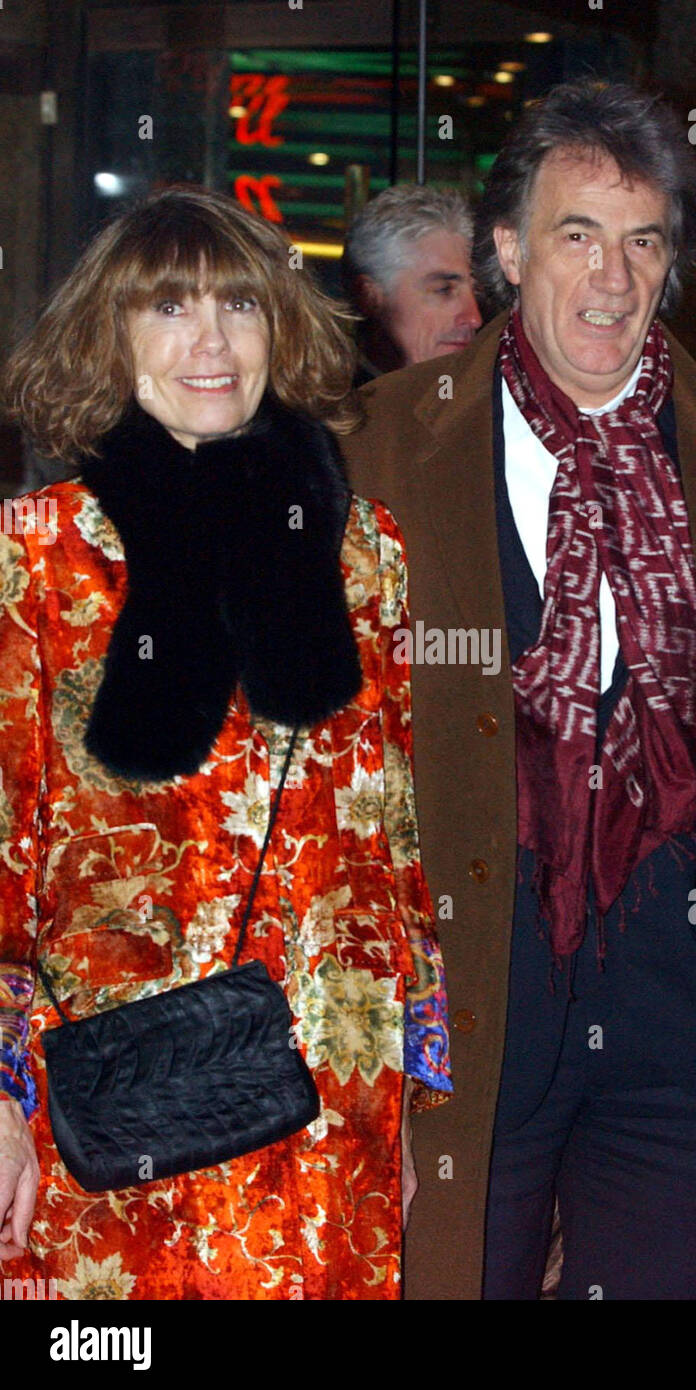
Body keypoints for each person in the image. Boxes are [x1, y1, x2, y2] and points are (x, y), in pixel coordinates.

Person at [341, 79, 696, 1299]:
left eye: (642, 240)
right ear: (504, 251)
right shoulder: (370, 448)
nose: (612, 278)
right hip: (465, 997)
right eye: (576, 234)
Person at [0, 186, 450, 1300]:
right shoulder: (38, 558)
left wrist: (415, 1093)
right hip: (105, 1110)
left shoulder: (365, 556)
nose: (209, 341)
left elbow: (399, 848)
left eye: (239, 308)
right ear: (110, 337)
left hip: (325, 1103)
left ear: (280, 332)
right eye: (168, 309)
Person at [341, 184, 482, 380]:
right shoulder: (327, 406)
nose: (474, 318)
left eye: (477, 292)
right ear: (369, 297)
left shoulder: (486, 401)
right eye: (444, 289)